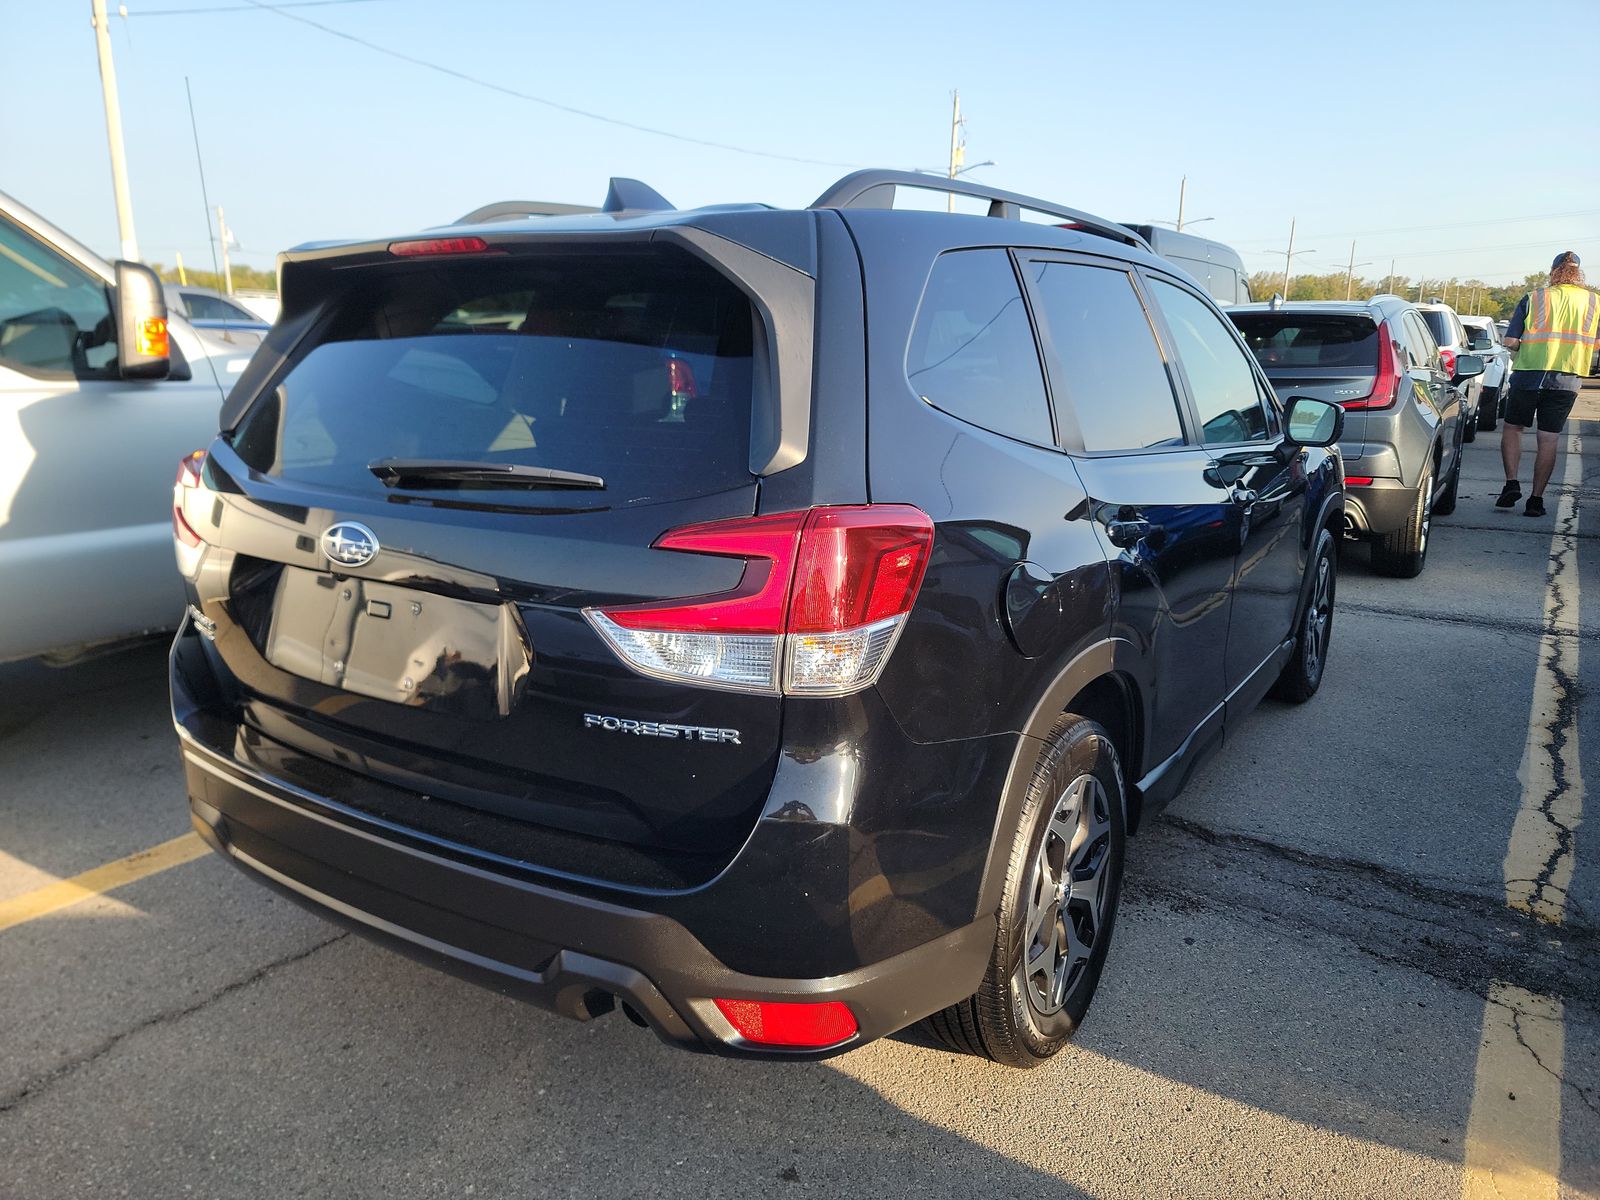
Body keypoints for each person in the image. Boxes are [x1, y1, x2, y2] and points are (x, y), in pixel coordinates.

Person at [1496, 251, 1599, 517]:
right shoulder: (1594, 302)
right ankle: (1536, 500)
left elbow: (1509, 341)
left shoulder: (1535, 297)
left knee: (1513, 428)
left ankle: (1511, 483)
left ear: (1554, 271)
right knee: (1549, 437)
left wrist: (1524, 347)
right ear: (1579, 273)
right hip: (1567, 377)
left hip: (1529, 372)